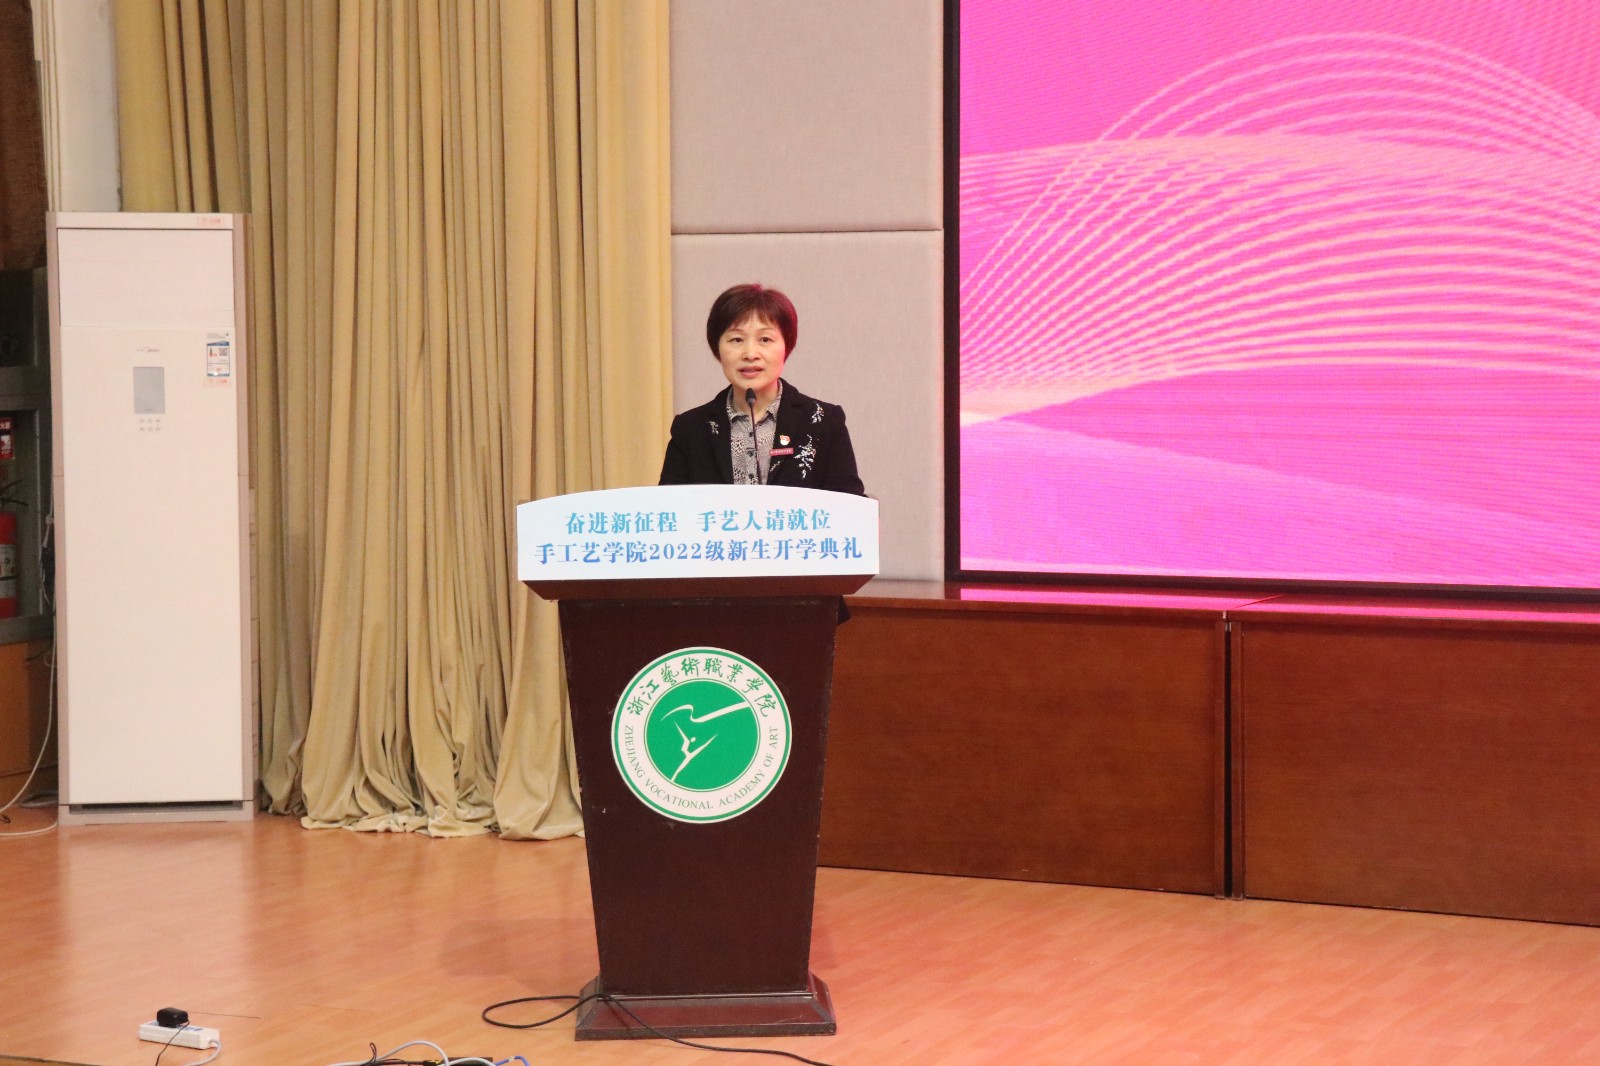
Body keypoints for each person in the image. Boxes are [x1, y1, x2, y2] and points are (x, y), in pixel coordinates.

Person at [658, 283, 866, 496]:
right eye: (736, 340)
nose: (750, 354)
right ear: (717, 348)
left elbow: (850, 506)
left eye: (765, 339)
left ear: (786, 346)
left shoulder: (823, 422)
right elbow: (667, 507)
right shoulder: (690, 429)